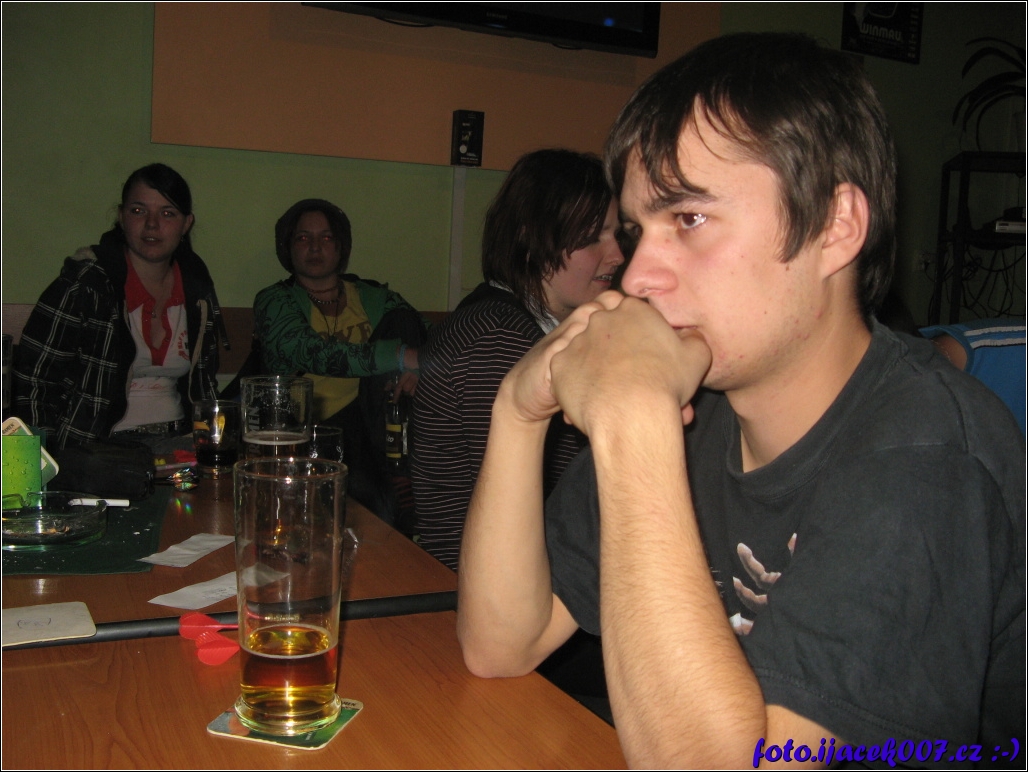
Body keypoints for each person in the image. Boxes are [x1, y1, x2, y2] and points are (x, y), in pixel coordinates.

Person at [456, 32, 1025, 768]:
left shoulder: (925, 457)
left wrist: (632, 421)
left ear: (835, 226)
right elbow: (502, 643)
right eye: (636, 230)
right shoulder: (704, 406)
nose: (637, 276)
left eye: (688, 219)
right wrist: (517, 409)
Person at [410, 148, 625, 571]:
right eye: (593, 237)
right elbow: (543, 504)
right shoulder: (500, 338)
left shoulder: (516, 324)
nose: (617, 255)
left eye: (617, 234)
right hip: (480, 585)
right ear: (532, 238)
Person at [15, 163, 223, 450]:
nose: (152, 224)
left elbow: (204, 386)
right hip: (97, 447)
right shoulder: (86, 285)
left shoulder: (197, 291)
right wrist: (44, 459)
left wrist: (211, 443)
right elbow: (33, 382)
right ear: (121, 217)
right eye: (138, 211)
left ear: (186, 224)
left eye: (167, 213)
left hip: (180, 443)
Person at [250, 198, 427, 523]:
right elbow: (311, 352)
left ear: (341, 246)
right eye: (303, 237)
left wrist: (422, 362)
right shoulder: (274, 301)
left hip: (376, 418)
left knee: (404, 321)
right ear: (287, 247)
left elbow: (429, 333)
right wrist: (402, 356)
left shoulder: (373, 297)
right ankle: (398, 473)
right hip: (311, 429)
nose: (315, 247)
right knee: (378, 499)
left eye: (326, 237)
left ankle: (402, 465)